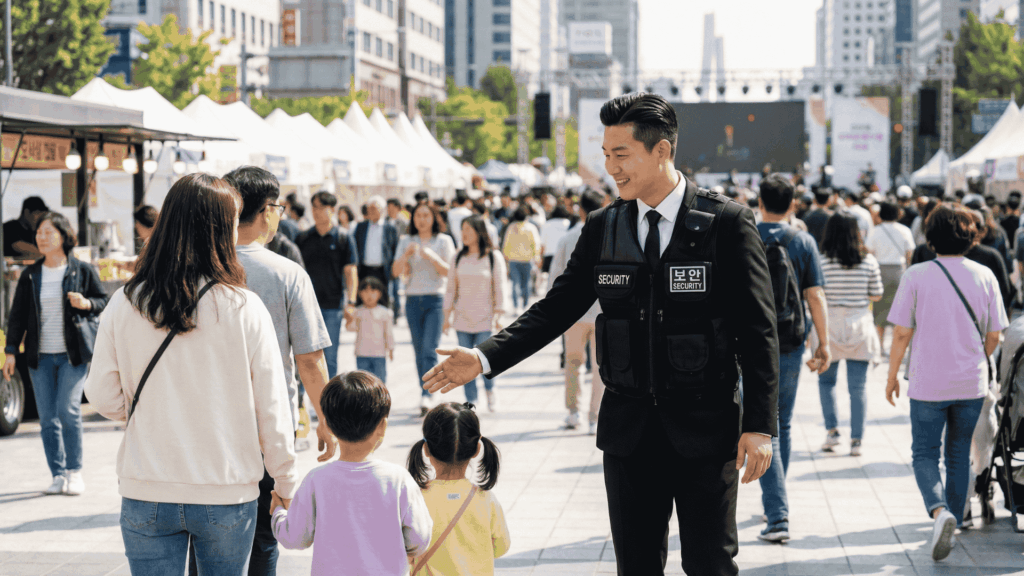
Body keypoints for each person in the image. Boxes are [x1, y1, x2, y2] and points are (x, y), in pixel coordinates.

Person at [420, 93, 778, 575]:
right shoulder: (604, 227)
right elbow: (556, 308)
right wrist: (484, 358)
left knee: (711, 564)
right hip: (629, 433)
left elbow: (759, 330)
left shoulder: (727, 224)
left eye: (621, 155)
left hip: (706, 430)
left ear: (662, 151)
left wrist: (758, 426)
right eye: (606, 155)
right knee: (635, 566)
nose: (610, 167)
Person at [83, 173, 298, 574]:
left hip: (146, 484)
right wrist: (285, 482)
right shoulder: (243, 308)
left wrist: (144, 411)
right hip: (226, 489)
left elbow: (100, 395)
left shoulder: (126, 300)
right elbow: (272, 407)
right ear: (221, 231)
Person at [223, 166, 334, 575]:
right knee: (264, 536)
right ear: (267, 211)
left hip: (208, 425)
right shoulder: (286, 273)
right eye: (280, 208)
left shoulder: (197, 268)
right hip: (270, 425)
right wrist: (326, 419)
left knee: (207, 541)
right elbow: (309, 360)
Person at [886, 204, 1008, 561]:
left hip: (928, 380)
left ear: (931, 236)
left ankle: (941, 513)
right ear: (970, 236)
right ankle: (952, 521)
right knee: (958, 454)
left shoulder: (917, 275)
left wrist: (892, 375)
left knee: (924, 453)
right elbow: (995, 335)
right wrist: (975, 357)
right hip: (971, 381)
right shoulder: (984, 274)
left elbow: (901, 334)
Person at [271, 371, 434, 574]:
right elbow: (419, 538)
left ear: (329, 425)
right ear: (382, 427)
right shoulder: (398, 479)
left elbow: (295, 537)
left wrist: (278, 512)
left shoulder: (316, 479)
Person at [3, 212, 107, 496]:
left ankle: (75, 471)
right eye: (39, 232)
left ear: (63, 235)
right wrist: (10, 351)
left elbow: (103, 300)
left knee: (68, 410)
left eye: (48, 232)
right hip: (40, 356)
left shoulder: (81, 270)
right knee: (47, 418)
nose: (41, 237)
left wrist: (86, 302)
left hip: (72, 355)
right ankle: (58, 474)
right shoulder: (31, 275)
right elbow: (18, 317)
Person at [755, 174, 832, 543]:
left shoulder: (744, 234)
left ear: (759, 201)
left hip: (746, 343)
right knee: (778, 425)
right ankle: (776, 501)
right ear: (793, 205)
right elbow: (815, 295)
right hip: (788, 342)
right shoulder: (801, 240)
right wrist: (824, 343)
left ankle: (776, 510)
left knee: (757, 424)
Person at [406, 402, 511, 575]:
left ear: (426, 449)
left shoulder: (415, 499)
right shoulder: (486, 499)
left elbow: (406, 550)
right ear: (477, 448)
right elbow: (501, 547)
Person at [816, 212, 883, 456]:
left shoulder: (821, 261)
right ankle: (856, 440)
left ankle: (832, 433)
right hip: (859, 325)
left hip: (829, 325)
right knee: (858, 387)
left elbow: (816, 294)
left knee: (826, 382)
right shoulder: (868, 261)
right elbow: (876, 294)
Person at [548, 190, 608, 434]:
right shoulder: (611, 236)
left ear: (580, 210)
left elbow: (555, 276)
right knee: (599, 367)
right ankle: (595, 416)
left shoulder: (569, 238)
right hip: (604, 312)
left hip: (573, 312)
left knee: (573, 363)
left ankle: (574, 412)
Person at [393, 202, 456, 416]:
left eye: (426, 215)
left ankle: (429, 393)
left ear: (434, 217)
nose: (421, 219)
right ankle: (426, 390)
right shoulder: (405, 241)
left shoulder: (443, 241)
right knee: (419, 350)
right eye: (418, 215)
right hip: (412, 300)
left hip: (435, 299)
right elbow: (395, 271)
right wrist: (405, 256)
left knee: (430, 349)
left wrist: (432, 257)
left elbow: (450, 271)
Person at [442, 216, 507, 410]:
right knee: (464, 363)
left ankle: (490, 389)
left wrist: (499, 313)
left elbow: (500, 287)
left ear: (480, 232)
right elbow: (450, 289)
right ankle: (471, 400)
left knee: (485, 360)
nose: (465, 233)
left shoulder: (493, 257)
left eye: (469, 229)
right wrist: (446, 316)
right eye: (462, 229)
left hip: (485, 319)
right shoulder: (457, 257)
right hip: (462, 318)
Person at [295, 191, 359, 379]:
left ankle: (328, 402)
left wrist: (351, 302)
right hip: (305, 305)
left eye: (320, 207)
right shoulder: (303, 238)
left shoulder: (343, 238)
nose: (316, 211)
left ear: (332, 209)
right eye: (313, 207)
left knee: (329, 357)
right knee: (304, 355)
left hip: (333, 306)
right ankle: (301, 402)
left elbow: (351, 272)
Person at [865, 201, 916, 352]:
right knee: (898, 310)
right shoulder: (904, 230)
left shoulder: (875, 231)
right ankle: (895, 346)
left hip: (879, 271)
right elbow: (909, 254)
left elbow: (869, 251)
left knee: (879, 309)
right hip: (898, 272)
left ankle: (879, 346)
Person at [354, 195, 399, 307]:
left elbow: (395, 249)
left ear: (382, 210)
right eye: (369, 208)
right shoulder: (361, 227)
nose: (371, 211)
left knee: (383, 301)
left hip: (382, 270)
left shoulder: (390, 229)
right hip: (364, 269)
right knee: (362, 301)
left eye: (374, 208)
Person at [347, 277, 395, 383]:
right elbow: (351, 328)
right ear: (360, 293)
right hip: (361, 353)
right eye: (365, 290)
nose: (369, 294)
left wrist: (391, 349)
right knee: (363, 382)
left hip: (379, 353)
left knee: (380, 381)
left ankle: (380, 399)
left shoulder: (385, 312)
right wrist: (349, 318)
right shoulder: (358, 312)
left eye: (373, 290)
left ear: (380, 293)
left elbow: (389, 333)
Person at [501, 208, 540, 313]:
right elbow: (536, 243)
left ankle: (516, 306)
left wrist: (505, 256)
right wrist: (536, 257)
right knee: (526, 283)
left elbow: (506, 242)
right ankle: (525, 305)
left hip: (513, 259)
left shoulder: (511, 227)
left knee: (515, 283)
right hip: (527, 260)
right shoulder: (531, 228)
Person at [539, 204, 572, 280]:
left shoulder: (546, 224)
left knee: (548, 282)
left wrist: (541, 259)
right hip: (565, 255)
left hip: (549, 256)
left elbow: (542, 245)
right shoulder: (568, 224)